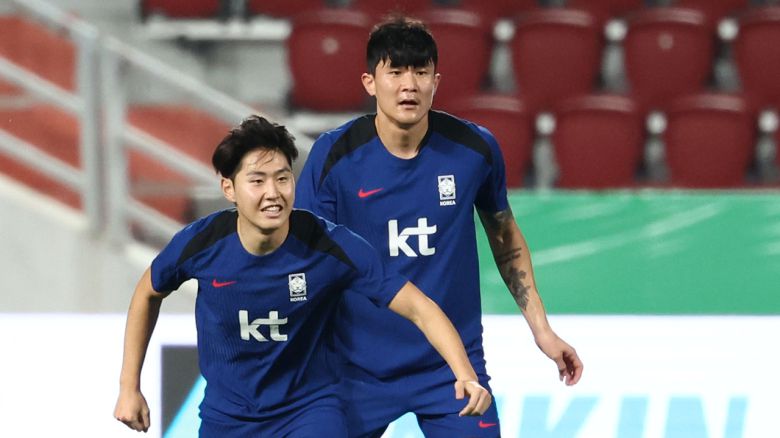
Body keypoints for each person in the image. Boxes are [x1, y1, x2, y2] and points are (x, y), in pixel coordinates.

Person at [113, 115, 491, 437]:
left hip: (309, 412)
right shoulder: (200, 244)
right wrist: (129, 387)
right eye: (257, 181)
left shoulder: (328, 244)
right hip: (228, 417)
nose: (273, 193)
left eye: (282, 178)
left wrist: (464, 373)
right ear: (229, 188)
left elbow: (418, 306)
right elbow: (147, 292)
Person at [295, 16, 584, 437]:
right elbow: (305, 258)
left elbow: (504, 237)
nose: (408, 85)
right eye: (395, 72)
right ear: (369, 82)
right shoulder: (333, 156)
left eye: (420, 72)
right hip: (354, 369)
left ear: (436, 81)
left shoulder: (474, 149)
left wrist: (542, 330)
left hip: (451, 367)